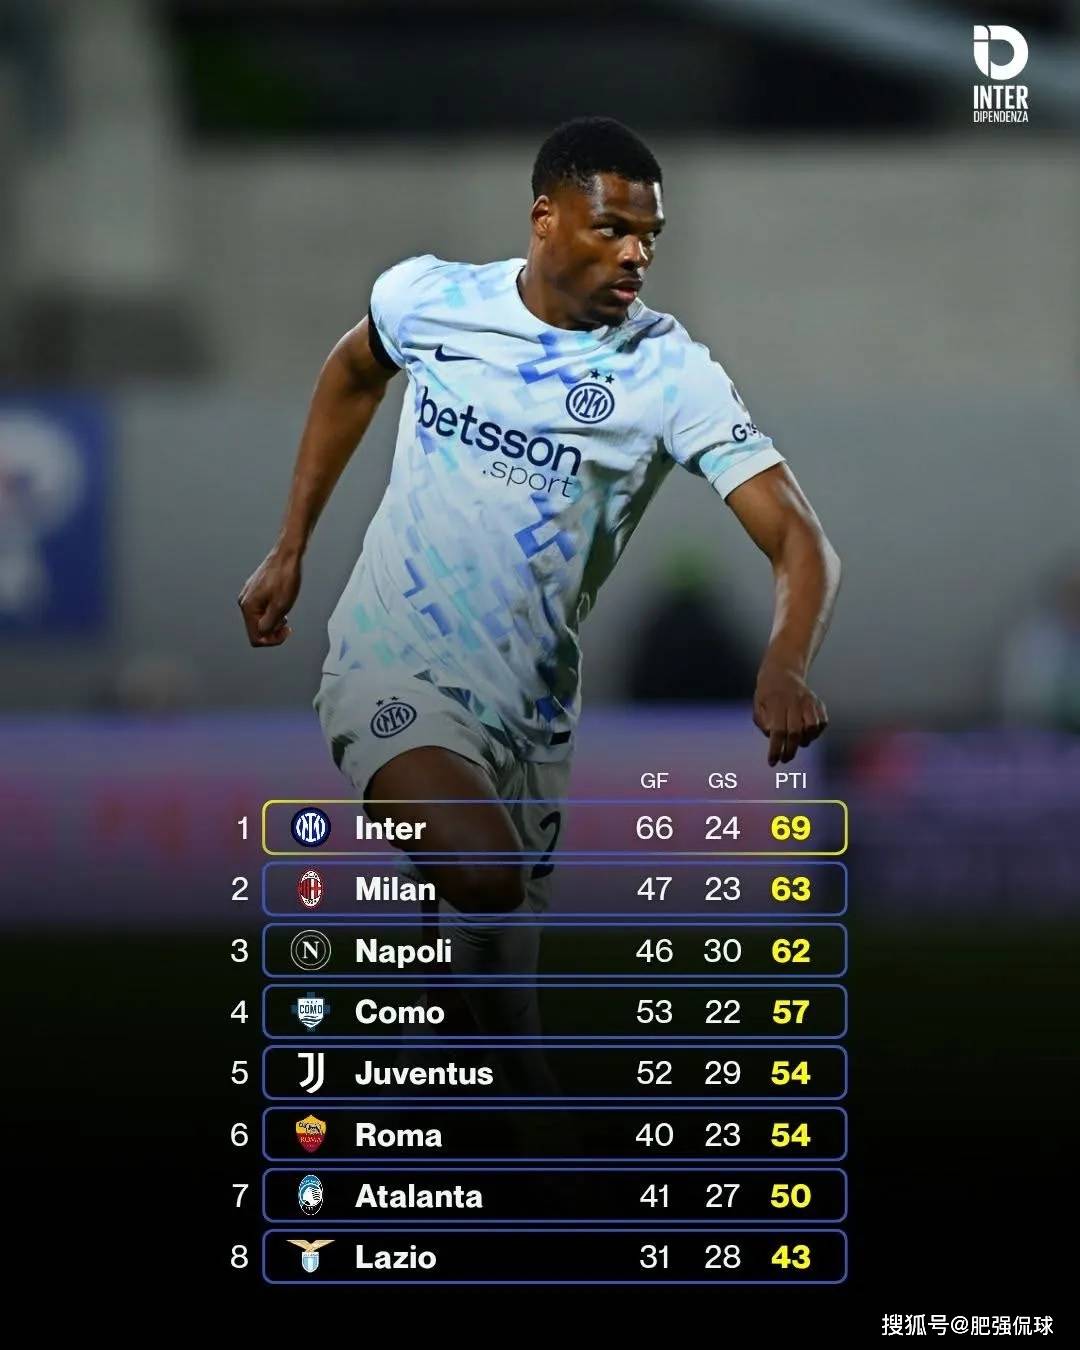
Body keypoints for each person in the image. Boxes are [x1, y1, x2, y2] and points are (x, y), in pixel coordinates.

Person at [238, 116, 841, 1045]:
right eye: (612, 229)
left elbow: (799, 537)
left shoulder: (668, 373)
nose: (636, 254)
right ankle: (432, 991)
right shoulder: (430, 298)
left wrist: (787, 660)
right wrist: (291, 545)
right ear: (545, 218)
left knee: (504, 1024)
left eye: (650, 236)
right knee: (485, 874)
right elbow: (355, 371)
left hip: (532, 705)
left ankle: (470, 1060)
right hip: (389, 662)